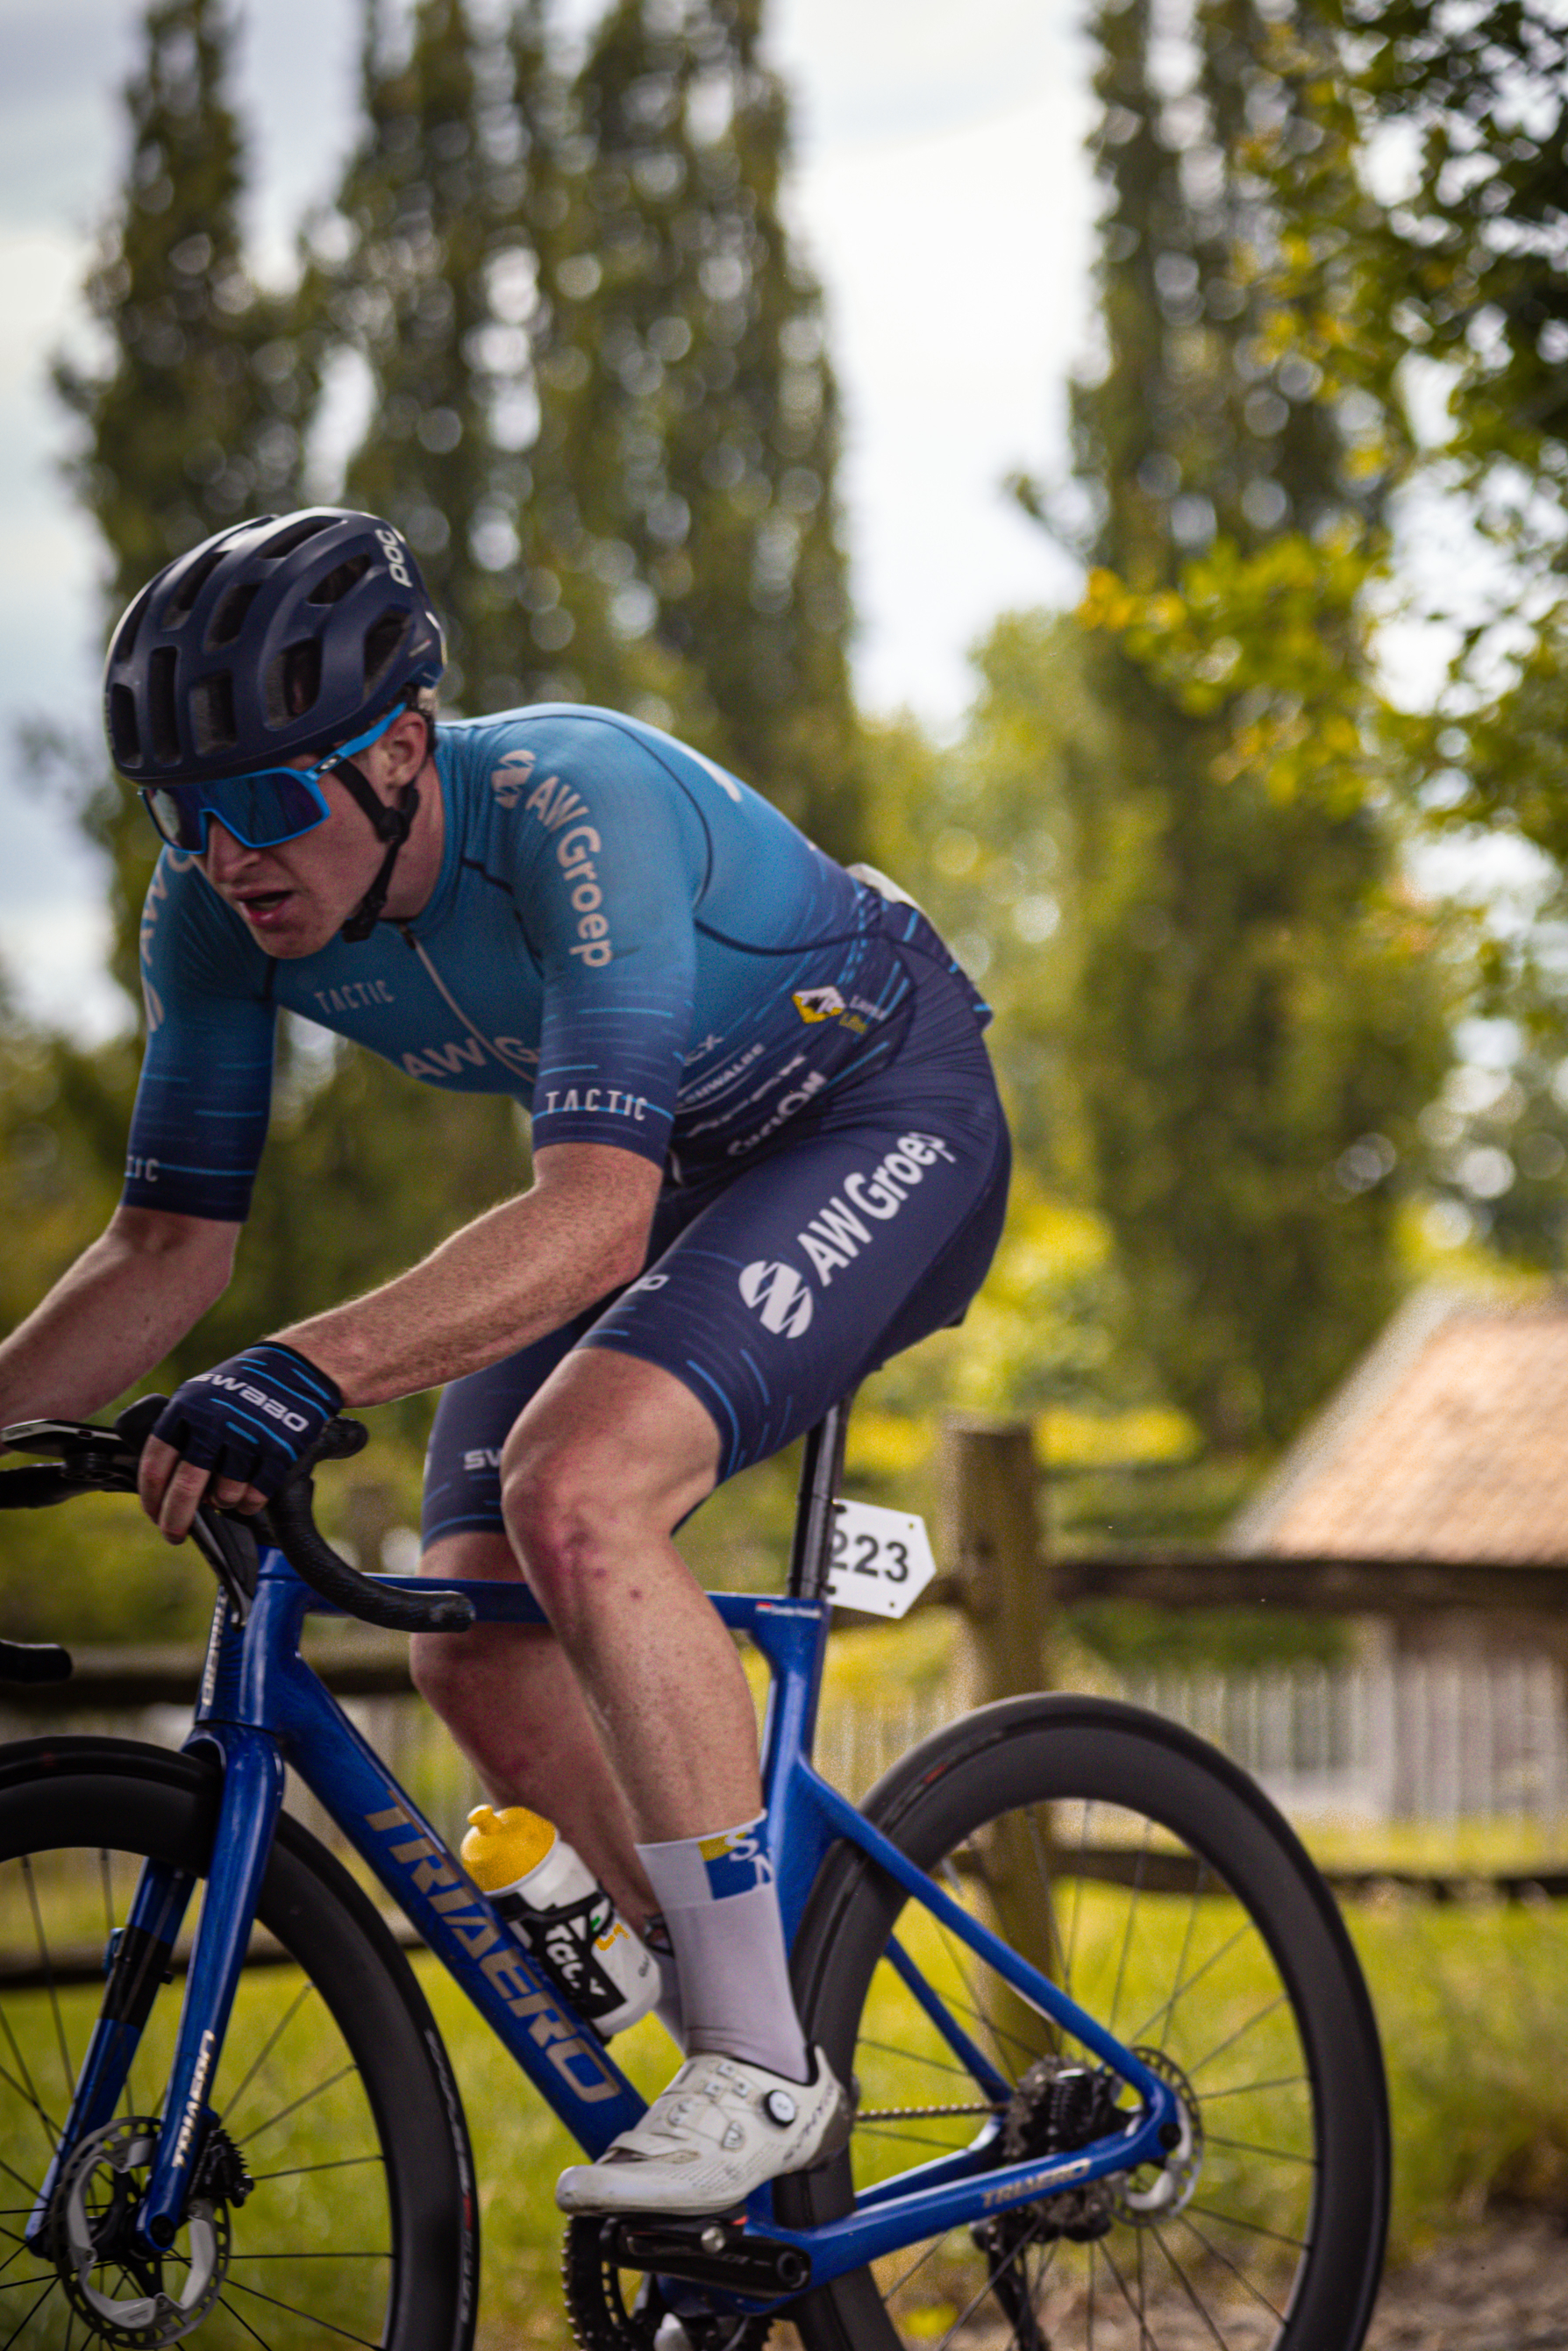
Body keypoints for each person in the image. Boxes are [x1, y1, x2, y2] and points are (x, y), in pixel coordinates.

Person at [0, 504, 1010, 2216]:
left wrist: (306, 1366)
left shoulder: (569, 806)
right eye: (185, 811)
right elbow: (165, 1249)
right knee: (469, 1639)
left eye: (265, 799)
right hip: (663, 1172)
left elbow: (597, 1220)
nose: (226, 853)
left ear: (399, 750)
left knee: (581, 1489)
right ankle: (723, 2014)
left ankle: (766, 2062)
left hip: (869, 1111)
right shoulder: (212, 916)